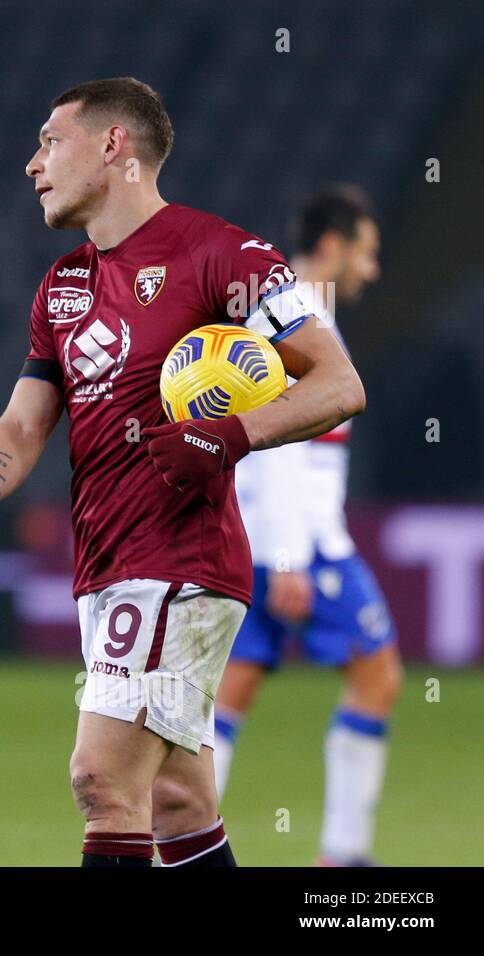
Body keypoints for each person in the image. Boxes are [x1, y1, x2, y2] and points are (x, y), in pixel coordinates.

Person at [0, 78, 366, 866]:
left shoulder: (221, 255)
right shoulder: (64, 286)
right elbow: (27, 421)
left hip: (179, 564)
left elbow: (338, 384)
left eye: (49, 141)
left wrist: (227, 436)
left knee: (103, 780)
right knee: (177, 802)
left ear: (113, 147)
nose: (32, 164)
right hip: (107, 566)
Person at [216, 185, 399, 866]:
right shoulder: (300, 319)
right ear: (332, 245)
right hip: (302, 547)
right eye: (366, 252)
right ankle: (343, 855)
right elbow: (284, 444)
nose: (371, 270)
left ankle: (180, 845)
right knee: (378, 676)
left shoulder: (276, 310)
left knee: (231, 695)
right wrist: (291, 556)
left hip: (257, 542)